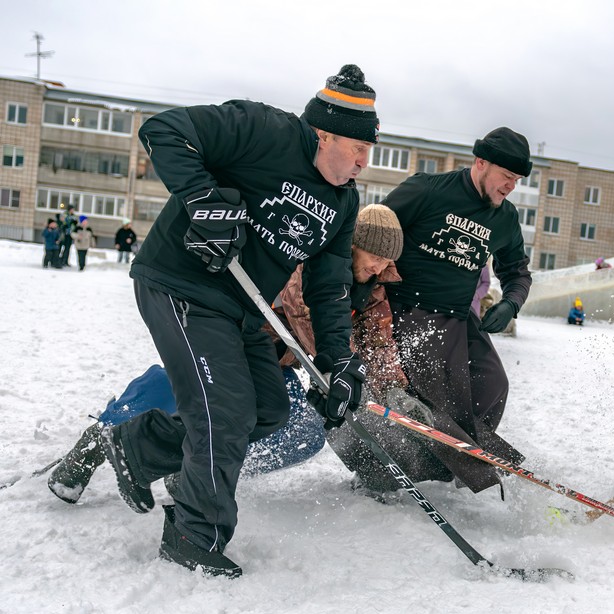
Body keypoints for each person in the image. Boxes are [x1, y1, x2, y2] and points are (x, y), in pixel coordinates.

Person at [98, 64, 380, 578]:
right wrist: (204, 202)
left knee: (268, 409)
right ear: (324, 134)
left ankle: (137, 448)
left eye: (369, 151)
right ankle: (194, 534)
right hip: (182, 283)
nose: (365, 161)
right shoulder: (265, 130)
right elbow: (164, 130)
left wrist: (337, 359)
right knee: (223, 412)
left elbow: (329, 286)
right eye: (358, 148)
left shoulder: (344, 201)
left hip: (241, 310)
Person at [47, 203, 407, 505]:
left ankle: (192, 472)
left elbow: (379, 344)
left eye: (386, 261)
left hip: (276, 364)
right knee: (183, 396)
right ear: (352, 245)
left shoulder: (373, 289)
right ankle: (100, 437)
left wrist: (390, 387)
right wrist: (336, 369)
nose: (378, 268)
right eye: (374, 257)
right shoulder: (315, 260)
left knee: (303, 433)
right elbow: (303, 313)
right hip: (233, 342)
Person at [381, 126, 533, 494]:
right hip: (408, 310)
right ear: (480, 163)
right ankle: (392, 469)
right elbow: (373, 231)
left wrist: (511, 303)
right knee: (439, 398)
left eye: (517, 180)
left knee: (492, 385)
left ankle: (443, 464)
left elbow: (517, 272)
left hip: (459, 318)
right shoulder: (427, 190)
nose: (511, 186)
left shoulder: (505, 218)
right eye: (506, 176)